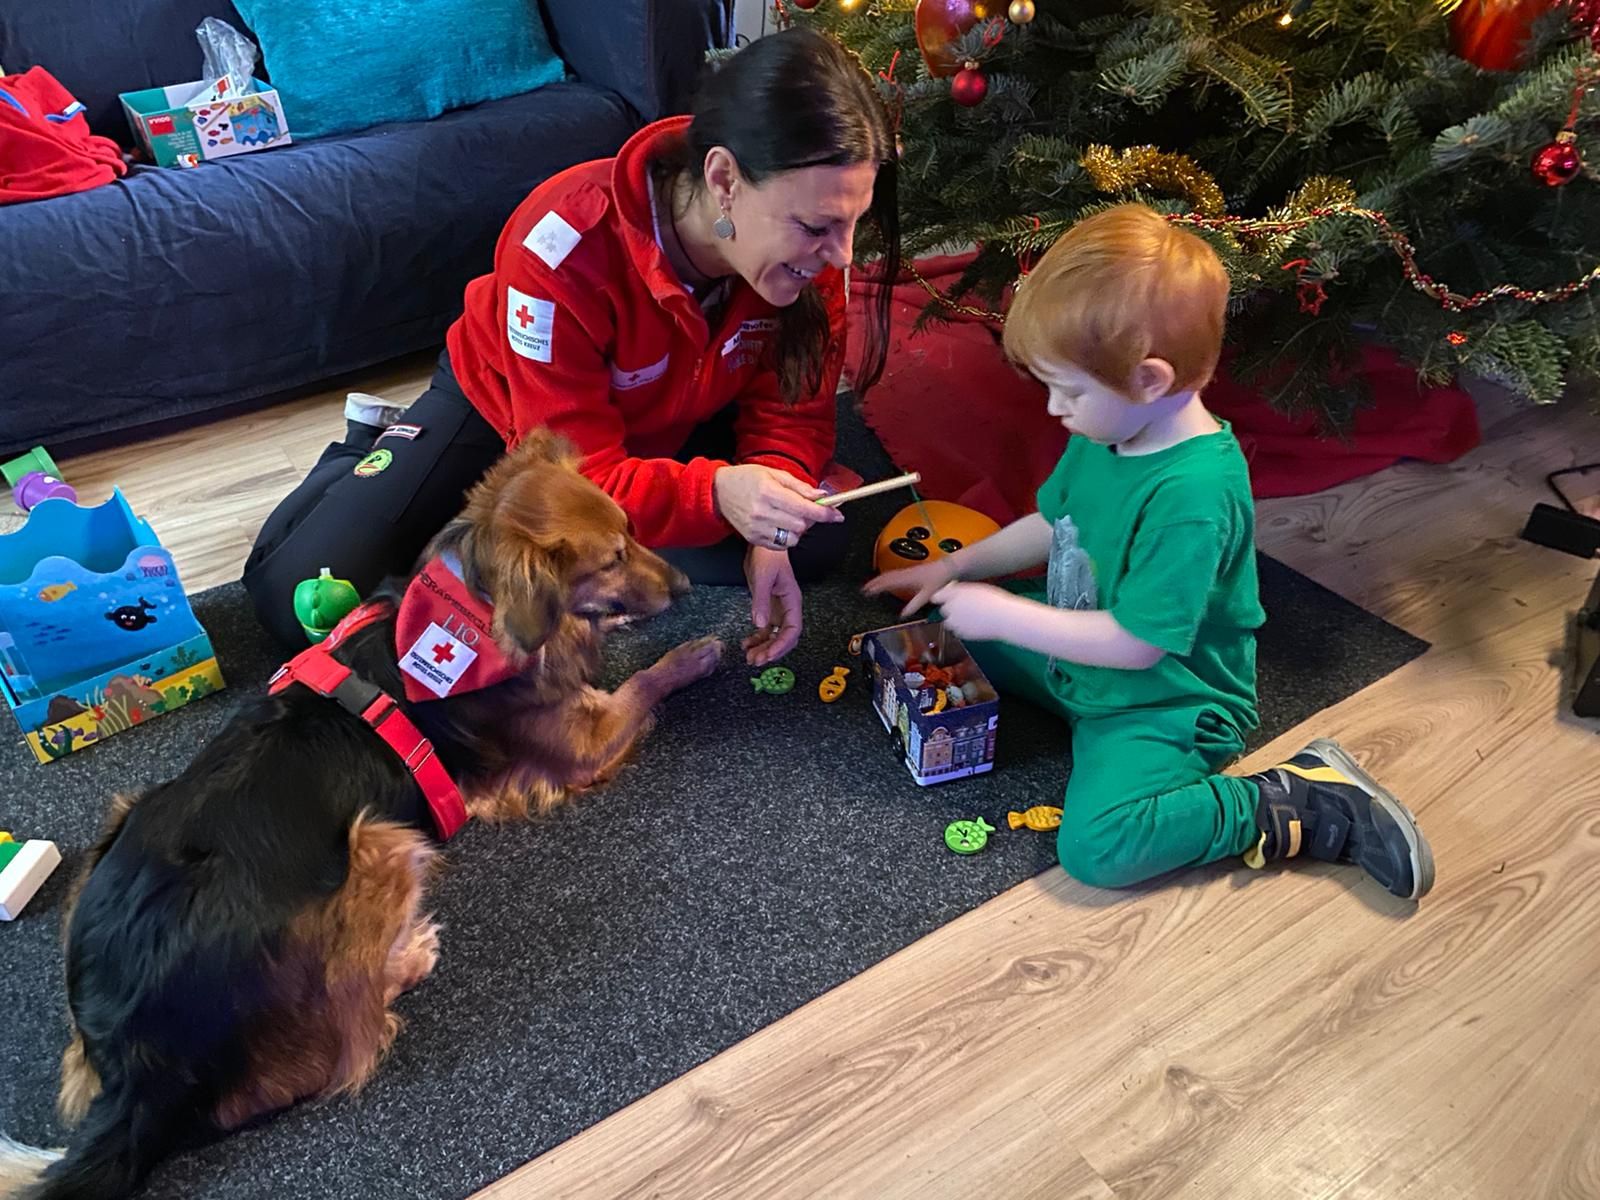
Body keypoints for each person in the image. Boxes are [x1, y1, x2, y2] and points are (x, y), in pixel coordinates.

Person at [243, 27, 900, 665]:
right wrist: (717, 495)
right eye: (817, 225)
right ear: (724, 179)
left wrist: (771, 527)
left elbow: (791, 417)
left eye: (851, 224)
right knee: (304, 601)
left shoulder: (807, 265)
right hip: (514, 416)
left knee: (815, 543)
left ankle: (583, 535)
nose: (840, 255)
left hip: (677, 416)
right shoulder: (560, 245)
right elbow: (570, 471)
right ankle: (370, 450)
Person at [865, 205, 1434, 900]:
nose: (1052, 409)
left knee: (1099, 848)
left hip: (1161, 698)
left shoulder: (1192, 496)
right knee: (937, 634)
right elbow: (1054, 524)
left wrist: (1005, 619)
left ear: (1150, 380)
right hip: (1077, 653)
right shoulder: (1109, 429)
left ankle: (1297, 802)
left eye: (1067, 391)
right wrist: (956, 567)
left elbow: (1137, 646)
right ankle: (1031, 667)